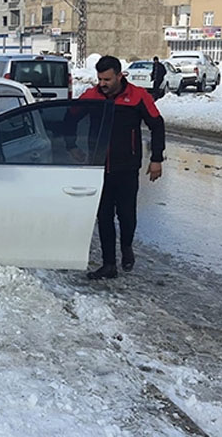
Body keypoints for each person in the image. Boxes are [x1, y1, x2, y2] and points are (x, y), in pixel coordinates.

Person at [78, 55, 165, 279]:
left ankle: (126, 247)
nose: (102, 84)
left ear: (119, 75)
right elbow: (70, 118)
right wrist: (68, 147)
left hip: (126, 168)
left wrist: (156, 159)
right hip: (98, 168)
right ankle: (109, 265)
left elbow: (157, 124)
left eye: (107, 79)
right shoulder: (92, 96)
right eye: (99, 79)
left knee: (126, 215)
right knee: (104, 217)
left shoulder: (137, 96)